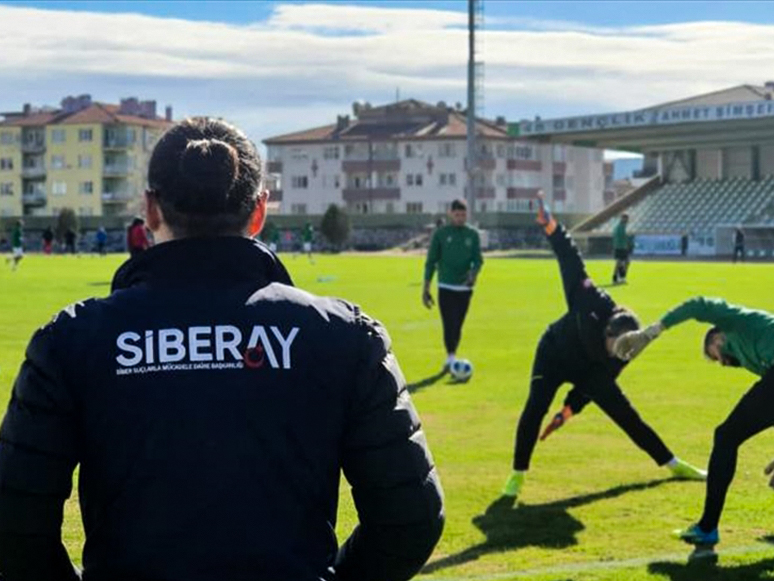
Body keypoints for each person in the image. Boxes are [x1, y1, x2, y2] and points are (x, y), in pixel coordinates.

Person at [0, 117, 443, 581]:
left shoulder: (72, 339)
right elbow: (410, 517)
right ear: (259, 212)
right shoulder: (344, 336)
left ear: (150, 211)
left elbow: (14, 522)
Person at [503, 195, 705, 500]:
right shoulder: (590, 301)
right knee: (535, 409)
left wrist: (569, 410)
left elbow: (596, 384)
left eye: (623, 351)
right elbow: (571, 259)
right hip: (554, 354)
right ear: (607, 330)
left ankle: (673, 463)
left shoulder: (626, 350)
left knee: (626, 415)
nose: (619, 353)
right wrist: (552, 227)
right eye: (615, 346)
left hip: (589, 369)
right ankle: (517, 476)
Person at [613, 297, 774, 552]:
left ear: (718, 338)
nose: (721, 362)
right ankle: (708, 527)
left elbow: (697, 304)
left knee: (726, 436)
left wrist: (650, 333)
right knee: (728, 435)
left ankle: (707, 528)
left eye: (715, 354)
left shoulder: (734, 322)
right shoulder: (756, 355)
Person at [422, 198, 483, 371]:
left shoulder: (473, 234)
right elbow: (431, 261)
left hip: (465, 288)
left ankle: (452, 353)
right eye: (457, 215)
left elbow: (478, 260)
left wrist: (473, 274)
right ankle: (450, 357)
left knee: (458, 324)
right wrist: (426, 288)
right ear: (450, 214)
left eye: (463, 215)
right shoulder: (440, 234)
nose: (460, 218)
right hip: (445, 286)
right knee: (449, 322)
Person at [612, 213, 631, 284]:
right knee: (621, 262)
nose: (627, 220)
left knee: (623, 262)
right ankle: (618, 277)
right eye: (625, 218)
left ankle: (619, 277)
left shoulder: (621, 226)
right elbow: (623, 237)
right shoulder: (620, 227)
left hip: (621, 246)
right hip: (620, 247)